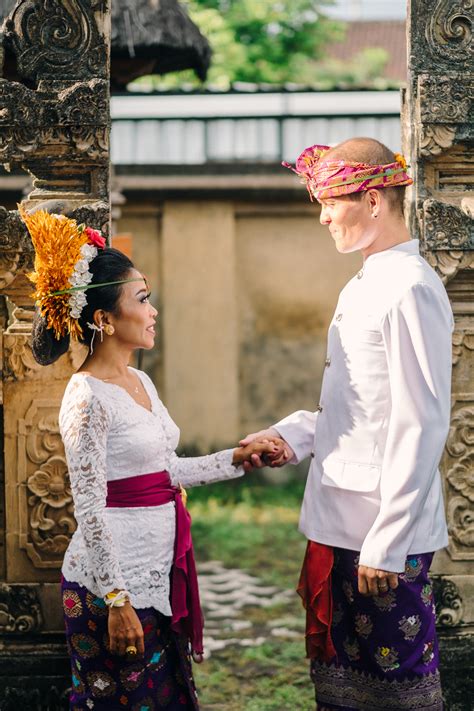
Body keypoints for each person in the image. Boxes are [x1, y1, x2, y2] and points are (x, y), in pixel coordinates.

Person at [21, 207, 284, 711]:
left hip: (156, 575)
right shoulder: (86, 397)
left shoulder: (140, 382)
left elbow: (168, 472)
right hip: (109, 589)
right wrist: (117, 603)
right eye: (141, 299)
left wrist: (237, 457)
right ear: (103, 319)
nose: (153, 310)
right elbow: (92, 510)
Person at [241, 138, 452, 710]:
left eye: (332, 200)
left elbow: (422, 418)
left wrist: (389, 540)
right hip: (340, 519)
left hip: (381, 530)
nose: (323, 216)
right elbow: (357, 406)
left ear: (375, 199)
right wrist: (291, 437)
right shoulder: (363, 282)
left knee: (397, 692)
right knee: (342, 688)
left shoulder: (410, 287)